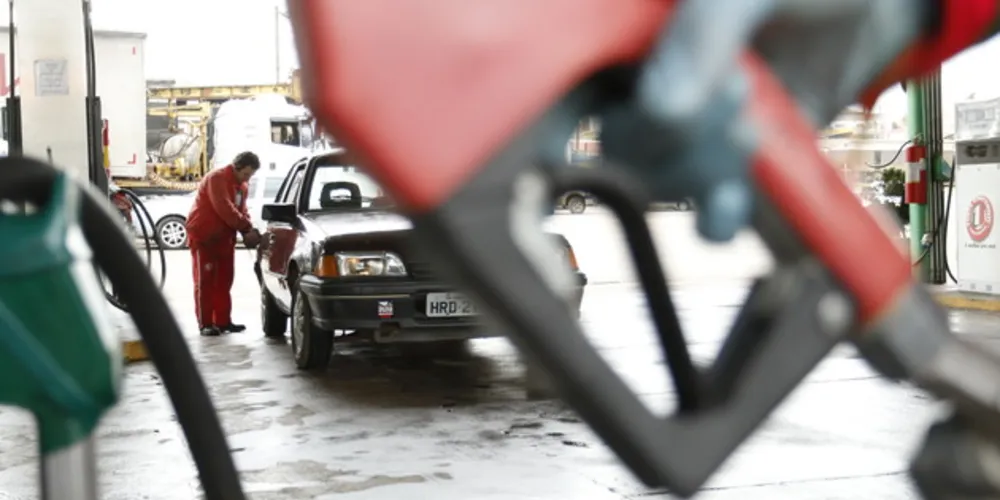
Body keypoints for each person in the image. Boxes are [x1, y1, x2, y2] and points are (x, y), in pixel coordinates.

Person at [186, 151, 263, 337]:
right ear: (236, 167)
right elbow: (225, 208)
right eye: (246, 174)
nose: (248, 178)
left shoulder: (241, 185)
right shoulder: (216, 179)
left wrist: (249, 228)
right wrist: (246, 228)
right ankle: (205, 324)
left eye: (250, 175)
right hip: (204, 237)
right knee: (205, 282)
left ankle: (222, 321)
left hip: (224, 238)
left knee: (224, 280)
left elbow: (241, 210)